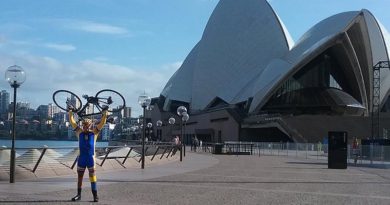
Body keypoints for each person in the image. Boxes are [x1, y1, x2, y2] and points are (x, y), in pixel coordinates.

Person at [68, 107, 108, 202]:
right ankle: (79, 195)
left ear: (90, 126)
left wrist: (105, 113)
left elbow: (102, 123)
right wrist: (70, 112)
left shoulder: (94, 133)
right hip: (81, 158)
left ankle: (95, 195)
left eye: (87, 125)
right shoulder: (79, 132)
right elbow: (72, 122)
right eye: (84, 125)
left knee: (92, 177)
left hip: (90, 159)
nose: (86, 127)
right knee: (80, 177)